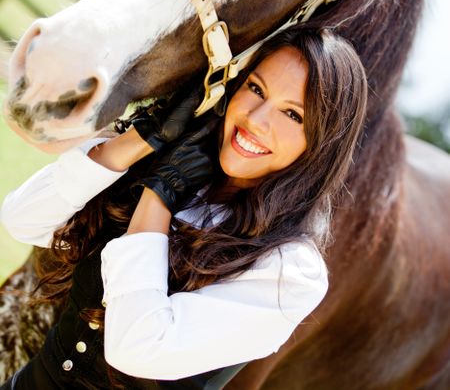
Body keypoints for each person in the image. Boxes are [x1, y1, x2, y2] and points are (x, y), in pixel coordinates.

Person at [1, 27, 367, 389]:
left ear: (321, 145)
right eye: (255, 89)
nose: (256, 120)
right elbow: (22, 220)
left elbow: (137, 348)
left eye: (293, 115)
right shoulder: (165, 161)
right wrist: (141, 138)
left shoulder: (291, 271)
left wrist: (160, 193)